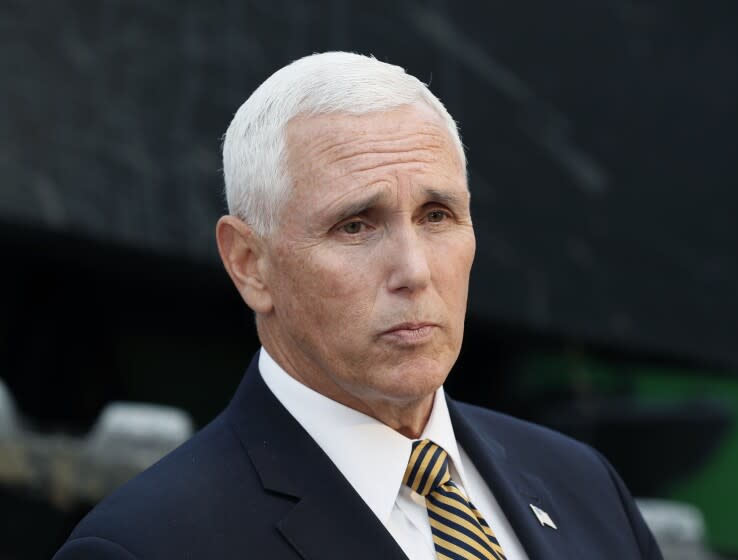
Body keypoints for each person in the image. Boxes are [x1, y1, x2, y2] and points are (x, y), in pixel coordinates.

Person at [54, 52, 662, 560]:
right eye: (355, 226)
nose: (415, 271)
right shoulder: (145, 546)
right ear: (249, 263)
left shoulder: (583, 485)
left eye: (437, 216)